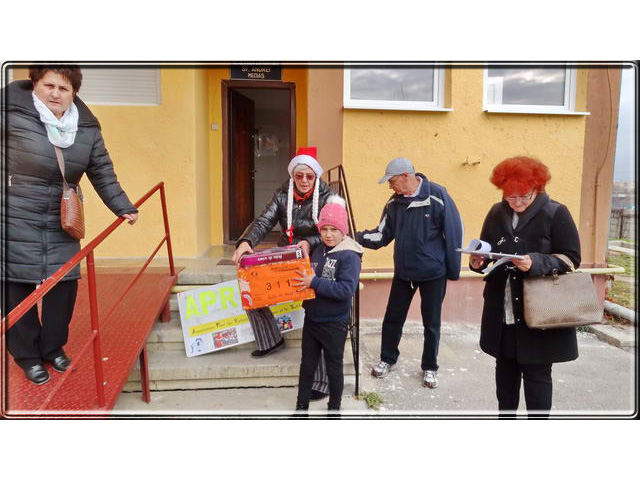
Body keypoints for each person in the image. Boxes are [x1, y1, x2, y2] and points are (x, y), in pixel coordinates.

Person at [4, 65, 138, 385]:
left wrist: (122, 206)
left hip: (63, 219)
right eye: (48, 85)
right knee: (15, 288)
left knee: (63, 289)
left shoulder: (86, 127)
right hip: (13, 215)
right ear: (34, 84)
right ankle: (27, 357)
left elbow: (102, 170)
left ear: (73, 93)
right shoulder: (9, 113)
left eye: (63, 89)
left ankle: (52, 348)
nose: (55, 93)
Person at [469, 156, 580, 418]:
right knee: (504, 374)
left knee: (537, 376)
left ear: (537, 188)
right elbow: (487, 251)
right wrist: (478, 261)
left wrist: (536, 262)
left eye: (524, 197)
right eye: (510, 197)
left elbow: (571, 258)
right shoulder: (496, 212)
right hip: (502, 309)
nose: (516, 203)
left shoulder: (556, 212)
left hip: (539, 311)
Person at [231, 147, 334, 401]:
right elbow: (264, 221)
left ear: (316, 176)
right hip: (286, 253)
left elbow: (336, 230)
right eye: (299, 176)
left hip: (316, 253)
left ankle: (322, 379)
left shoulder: (329, 196)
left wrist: (310, 241)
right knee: (251, 288)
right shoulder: (282, 194)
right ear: (293, 176)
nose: (304, 181)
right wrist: (246, 241)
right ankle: (270, 340)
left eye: (309, 176)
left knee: (318, 311)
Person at [356, 157, 462, 388]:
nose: (390, 186)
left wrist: (453, 271)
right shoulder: (394, 204)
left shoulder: (437, 196)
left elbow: (454, 232)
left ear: (406, 176)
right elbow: (381, 235)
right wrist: (354, 237)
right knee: (393, 318)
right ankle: (387, 359)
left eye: (392, 181)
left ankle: (430, 367)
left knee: (431, 323)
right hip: (404, 273)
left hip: (433, 273)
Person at [292, 197, 363, 416]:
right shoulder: (318, 249)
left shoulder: (350, 256)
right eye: (324, 229)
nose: (329, 234)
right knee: (307, 366)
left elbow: (345, 290)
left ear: (343, 231)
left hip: (334, 324)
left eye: (334, 229)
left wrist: (313, 282)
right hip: (312, 320)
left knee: (334, 368)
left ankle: (334, 408)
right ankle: (301, 407)